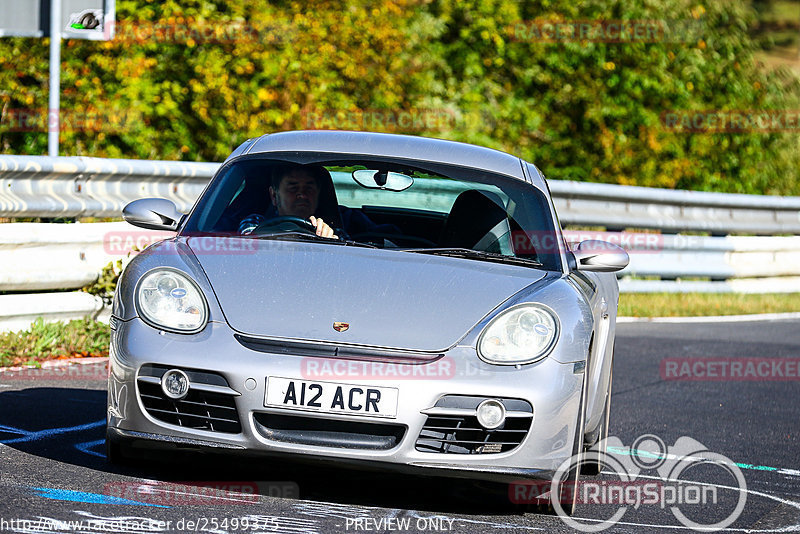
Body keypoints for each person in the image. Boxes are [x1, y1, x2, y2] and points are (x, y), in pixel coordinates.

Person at [239, 164, 339, 238]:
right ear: (274, 196)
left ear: (318, 195)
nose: (302, 195)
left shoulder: (332, 231)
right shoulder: (255, 223)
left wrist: (328, 239)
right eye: (293, 188)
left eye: (309, 188)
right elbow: (249, 243)